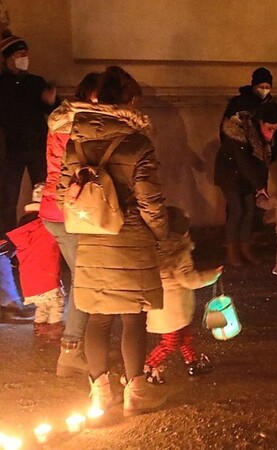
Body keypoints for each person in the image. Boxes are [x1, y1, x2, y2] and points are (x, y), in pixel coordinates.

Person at [57, 66, 168, 416]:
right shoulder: (138, 143)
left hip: (92, 236)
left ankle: (99, 394)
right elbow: (150, 199)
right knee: (133, 317)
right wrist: (162, 234)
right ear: (129, 101)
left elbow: (64, 194)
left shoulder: (76, 143)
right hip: (132, 236)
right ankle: (136, 393)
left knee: (97, 318)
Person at [42, 72, 100, 377]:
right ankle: (71, 350)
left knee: (84, 279)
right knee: (85, 282)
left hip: (56, 210)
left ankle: (80, 346)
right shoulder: (79, 126)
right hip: (68, 213)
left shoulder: (62, 119)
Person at [143, 207, 221, 384]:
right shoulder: (180, 253)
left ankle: (192, 362)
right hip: (173, 308)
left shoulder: (154, 249)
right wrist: (212, 275)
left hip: (161, 305)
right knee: (170, 342)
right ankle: (147, 367)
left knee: (184, 336)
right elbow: (189, 280)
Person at [0, 35, 58, 232]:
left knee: (42, 195)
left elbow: (55, 113)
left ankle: (40, 234)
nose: (24, 57)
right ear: (8, 58)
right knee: (8, 199)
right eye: (19, 53)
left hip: (37, 148)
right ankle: (6, 240)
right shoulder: (2, 84)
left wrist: (51, 102)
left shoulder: (36, 82)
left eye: (26, 53)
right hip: (11, 149)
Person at [215, 101, 277, 266]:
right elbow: (244, 163)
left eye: (275, 129)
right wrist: (260, 186)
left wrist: (261, 186)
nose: (272, 133)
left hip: (246, 178)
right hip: (230, 176)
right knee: (237, 211)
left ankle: (245, 250)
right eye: (270, 128)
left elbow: (260, 164)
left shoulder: (260, 139)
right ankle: (232, 252)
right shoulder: (240, 135)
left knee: (249, 212)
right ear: (260, 123)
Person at [6, 183, 64, 340]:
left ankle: (39, 329)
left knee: (42, 306)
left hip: (29, 279)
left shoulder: (24, 226)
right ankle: (53, 332)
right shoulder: (46, 225)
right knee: (55, 305)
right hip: (48, 275)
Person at [221, 67, 277, 162]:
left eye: (267, 87)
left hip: (262, 155)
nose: (264, 90)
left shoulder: (272, 106)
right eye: (261, 87)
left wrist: (272, 155)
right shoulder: (238, 103)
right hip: (239, 152)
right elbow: (226, 129)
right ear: (254, 85)